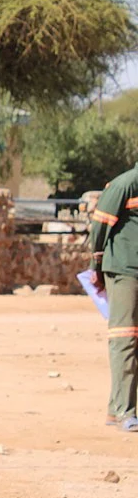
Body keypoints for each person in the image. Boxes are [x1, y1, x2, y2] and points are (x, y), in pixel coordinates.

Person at [88, 163, 138, 431]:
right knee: (125, 338)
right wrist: (96, 266)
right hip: (123, 271)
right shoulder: (125, 185)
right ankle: (124, 412)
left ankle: (115, 408)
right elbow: (99, 229)